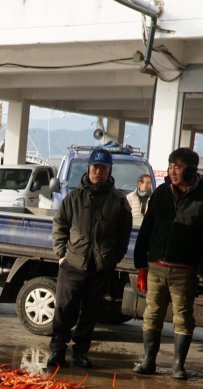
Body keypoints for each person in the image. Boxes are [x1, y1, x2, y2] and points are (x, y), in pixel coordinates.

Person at [131, 147, 203, 379]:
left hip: (185, 269)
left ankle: (178, 365)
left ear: (191, 169)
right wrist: (141, 262)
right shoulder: (161, 193)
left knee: (182, 315)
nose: (173, 171)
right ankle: (148, 361)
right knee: (152, 313)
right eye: (171, 166)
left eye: (178, 167)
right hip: (156, 266)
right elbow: (147, 228)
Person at [48, 148, 133, 368]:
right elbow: (60, 226)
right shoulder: (74, 197)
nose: (98, 171)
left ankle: (80, 353)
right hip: (73, 263)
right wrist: (61, 255)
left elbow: (124, 232)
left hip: (101, 267)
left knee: (90, 312)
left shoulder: (118, 200)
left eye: (103, 168)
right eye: (95, 167)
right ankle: (57, 350)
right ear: (88, 168)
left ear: (109, 170)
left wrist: (114, 258)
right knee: (65, 309)